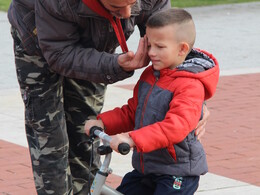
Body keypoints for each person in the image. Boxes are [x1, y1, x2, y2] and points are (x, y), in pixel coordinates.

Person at [7, 0, 208, 194]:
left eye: (133, 3)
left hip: (173, 173)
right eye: (117, 6)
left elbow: (173, 39)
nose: (129, 14)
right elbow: (60, 53)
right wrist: (115, 66)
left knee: (84, 133)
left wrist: (193, 96)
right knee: (50, 139)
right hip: (39, 41)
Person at [85, 8, 219, 195]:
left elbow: (176, 127)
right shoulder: (151, 75)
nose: (152, 53)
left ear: (182, 49)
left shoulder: (190, 85)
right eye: (149, 45)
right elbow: (133, 111)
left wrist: (131, 139)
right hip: (147, 168)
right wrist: (103, 122)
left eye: (159, 46)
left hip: (176, 172)